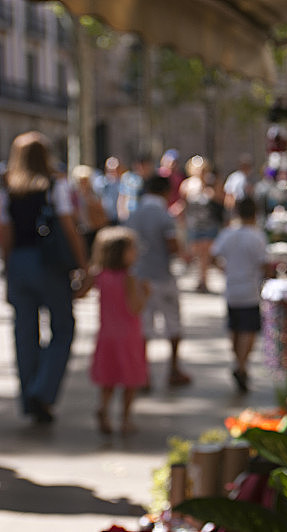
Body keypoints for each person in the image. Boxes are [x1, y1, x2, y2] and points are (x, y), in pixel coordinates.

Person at [0, 131, 90, 424]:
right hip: (49, 263)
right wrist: (82, 264)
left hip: (18, 262)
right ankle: (43, 390)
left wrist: (10, 265)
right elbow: (67, 227)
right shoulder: (54, 186)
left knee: (24, 332)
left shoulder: (7, 188)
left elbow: (6, 233)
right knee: (63, 327)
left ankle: (30, 396)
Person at [126, 176, 192, 387]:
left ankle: (143, 373)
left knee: (144, 326)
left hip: (139, 277)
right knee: (172, 322)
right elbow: (172, 245)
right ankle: (173, 369)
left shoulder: (133, 215)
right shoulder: (164, 215)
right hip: (162, 276)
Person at [88, 226, 150, 435]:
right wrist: (146, 294)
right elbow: (135, 307)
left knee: (108, 378)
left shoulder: (99, 275)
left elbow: (80, 292)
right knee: (129, 380)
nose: (136, 253)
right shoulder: (129, 278)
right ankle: (125, 419)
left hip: (106, 336)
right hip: (128, 337)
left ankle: (103, 410)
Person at [210, 197, 268, 393]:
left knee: (234, 329)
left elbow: (213, 255)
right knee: (247, 331)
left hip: (231, 289)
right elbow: (264, 263)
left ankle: (239, 363)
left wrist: (225, 269)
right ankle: (241, 365)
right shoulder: (257, 236)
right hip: (250, 290)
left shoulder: (228, 234)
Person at [176, 155, 224, 293]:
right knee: (197, 254)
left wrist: (209, 190)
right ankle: (201, 279)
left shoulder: (212, 183)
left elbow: (221, 200)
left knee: (206, 254)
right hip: (194, 224)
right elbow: (183, 203)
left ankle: (203, 281)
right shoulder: (186, 185)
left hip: (209, 223)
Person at [71, 164, 109, 251]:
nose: (83, 183)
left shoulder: (94, 193)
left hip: (95, 227)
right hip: (82, 228)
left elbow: (101, 209)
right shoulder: (74, 195)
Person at [117, 154, 153, 222]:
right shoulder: (127, 178)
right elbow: (122, 195)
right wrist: (121, 211)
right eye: (140, 165)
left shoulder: (153, 180)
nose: (141, 168)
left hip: (147, 215)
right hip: (130, 213)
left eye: (144, 166)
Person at [94, 156, 123, 225]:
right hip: (104, 219)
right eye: (110, 169)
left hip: (118, 219)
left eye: (115, 169)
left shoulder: (123, 183)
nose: (112, 172)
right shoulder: (100, 183)